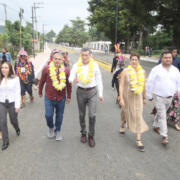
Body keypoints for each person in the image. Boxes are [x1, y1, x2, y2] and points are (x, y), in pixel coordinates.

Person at [69, 48, 103, 148]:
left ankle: (91, 136)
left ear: (90, 55)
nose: (84, 57)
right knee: (81, 114)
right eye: (82, 55)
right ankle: (83, 133)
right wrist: (73, 79)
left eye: (86, 55)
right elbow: (70, 77)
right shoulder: (76, 65)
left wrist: (100, 94)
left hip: (92, 92)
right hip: (80, 92)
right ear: (81, 55)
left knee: (92, 115)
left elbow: (99, 80)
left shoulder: (95, 65)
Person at [146, 51, 180, 145]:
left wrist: (178, 93)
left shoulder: (175, 70)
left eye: (169, 57)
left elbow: (178, 83)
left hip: (170, 97)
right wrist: (149, 95)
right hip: (159, 96)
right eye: (165, 57)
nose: (167, 59)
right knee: (163, 115)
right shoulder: (156, 69)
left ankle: (155, 126)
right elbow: (150, 83)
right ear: (162, 58)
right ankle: (164, 136)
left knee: (162, 113)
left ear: (172, 59)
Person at [39, 52, 72, 141]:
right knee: (48, 115)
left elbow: (69, 85)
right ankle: (51, 127)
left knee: (59, 115)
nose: (57, 60)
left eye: (59, 59)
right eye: (55, 59)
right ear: (53, 59)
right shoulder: (46, 69)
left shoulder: (66, 70)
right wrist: (40, 91)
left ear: (63, 60)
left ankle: (58, 131)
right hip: (49, 97)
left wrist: (69, 96)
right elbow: (42, 81)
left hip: (61, 98)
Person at [119, 53, 148, 152]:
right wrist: (121, 98)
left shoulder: (142, 72)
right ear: (130, 61)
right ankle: (123, 124)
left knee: (138, 116)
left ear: (139, 61)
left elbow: (143, 86)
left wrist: (144, 97)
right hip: (127, 97)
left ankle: (138, 139)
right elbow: (121, 85)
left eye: (136, 60)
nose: (134, 61)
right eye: (132, 60)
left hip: (138, 97)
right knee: (124, 112)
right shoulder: (125, 71)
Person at [156, 47, 180, 130]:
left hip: (175, 88)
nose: (174, 54)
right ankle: (161, 120)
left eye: (176, 52)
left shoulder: (178, 60)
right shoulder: (162, 60)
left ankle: (175, 122)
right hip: (164, 89)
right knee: (164, 107)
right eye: (173, 52)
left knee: (175, 106)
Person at [0, 62, 21, 150]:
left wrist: (17, 106)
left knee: (13, 120)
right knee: (2, 121)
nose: (3, 69)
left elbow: (17, 92)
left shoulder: (15, 79)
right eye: (2, 68)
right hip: (2, 103)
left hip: (12, 103)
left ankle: (17, 128)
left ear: (10, 69)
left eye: (6, 68)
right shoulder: (0, 78)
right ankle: (6, 141)